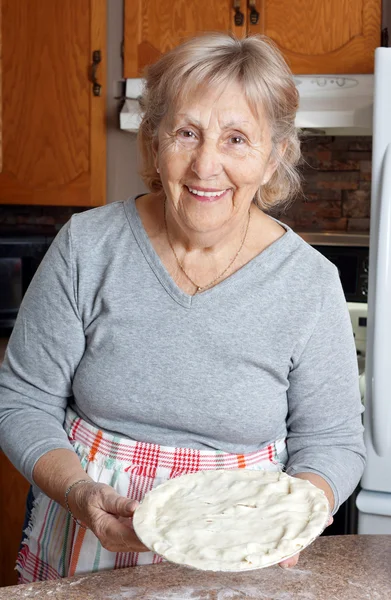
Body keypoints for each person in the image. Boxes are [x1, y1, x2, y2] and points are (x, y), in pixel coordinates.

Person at [0, 32, 365, 583]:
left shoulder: (309, 282)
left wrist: (293, 519)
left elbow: (332, 442)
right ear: (153, 142)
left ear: (275, 157)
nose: (205, 165)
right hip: (84, 537)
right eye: (187, 133)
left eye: (237, 139)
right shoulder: (86, 247)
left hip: (242, 547)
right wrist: (80, 494)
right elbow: (22, 400)